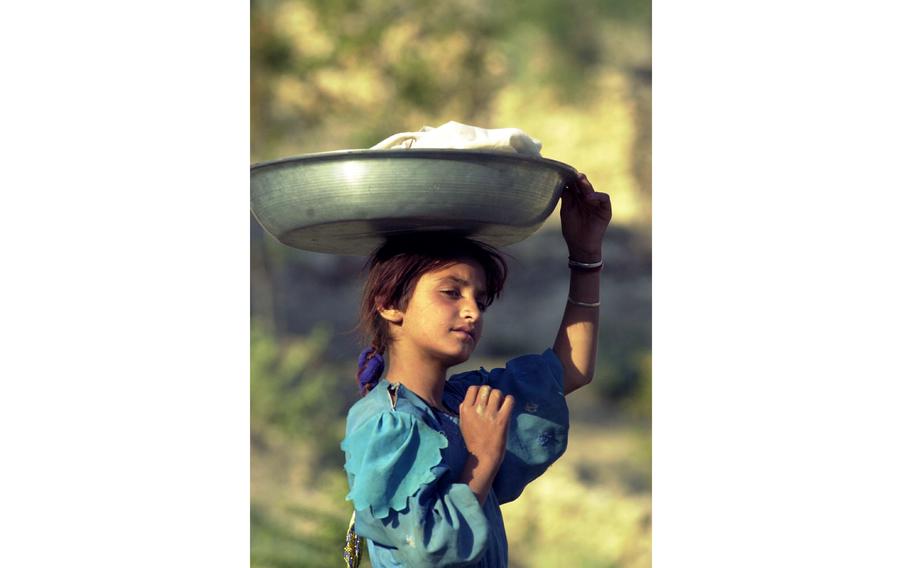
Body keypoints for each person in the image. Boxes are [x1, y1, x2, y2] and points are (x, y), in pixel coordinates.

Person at [340, 173, 612, 567]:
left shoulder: (465, 403)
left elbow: (570, 369)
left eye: (480, 301)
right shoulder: (387, 425)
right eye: (451, 292)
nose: (471, 311)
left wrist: (586, 255)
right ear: (389, 303)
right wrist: (482, 455)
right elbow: (428, 550)